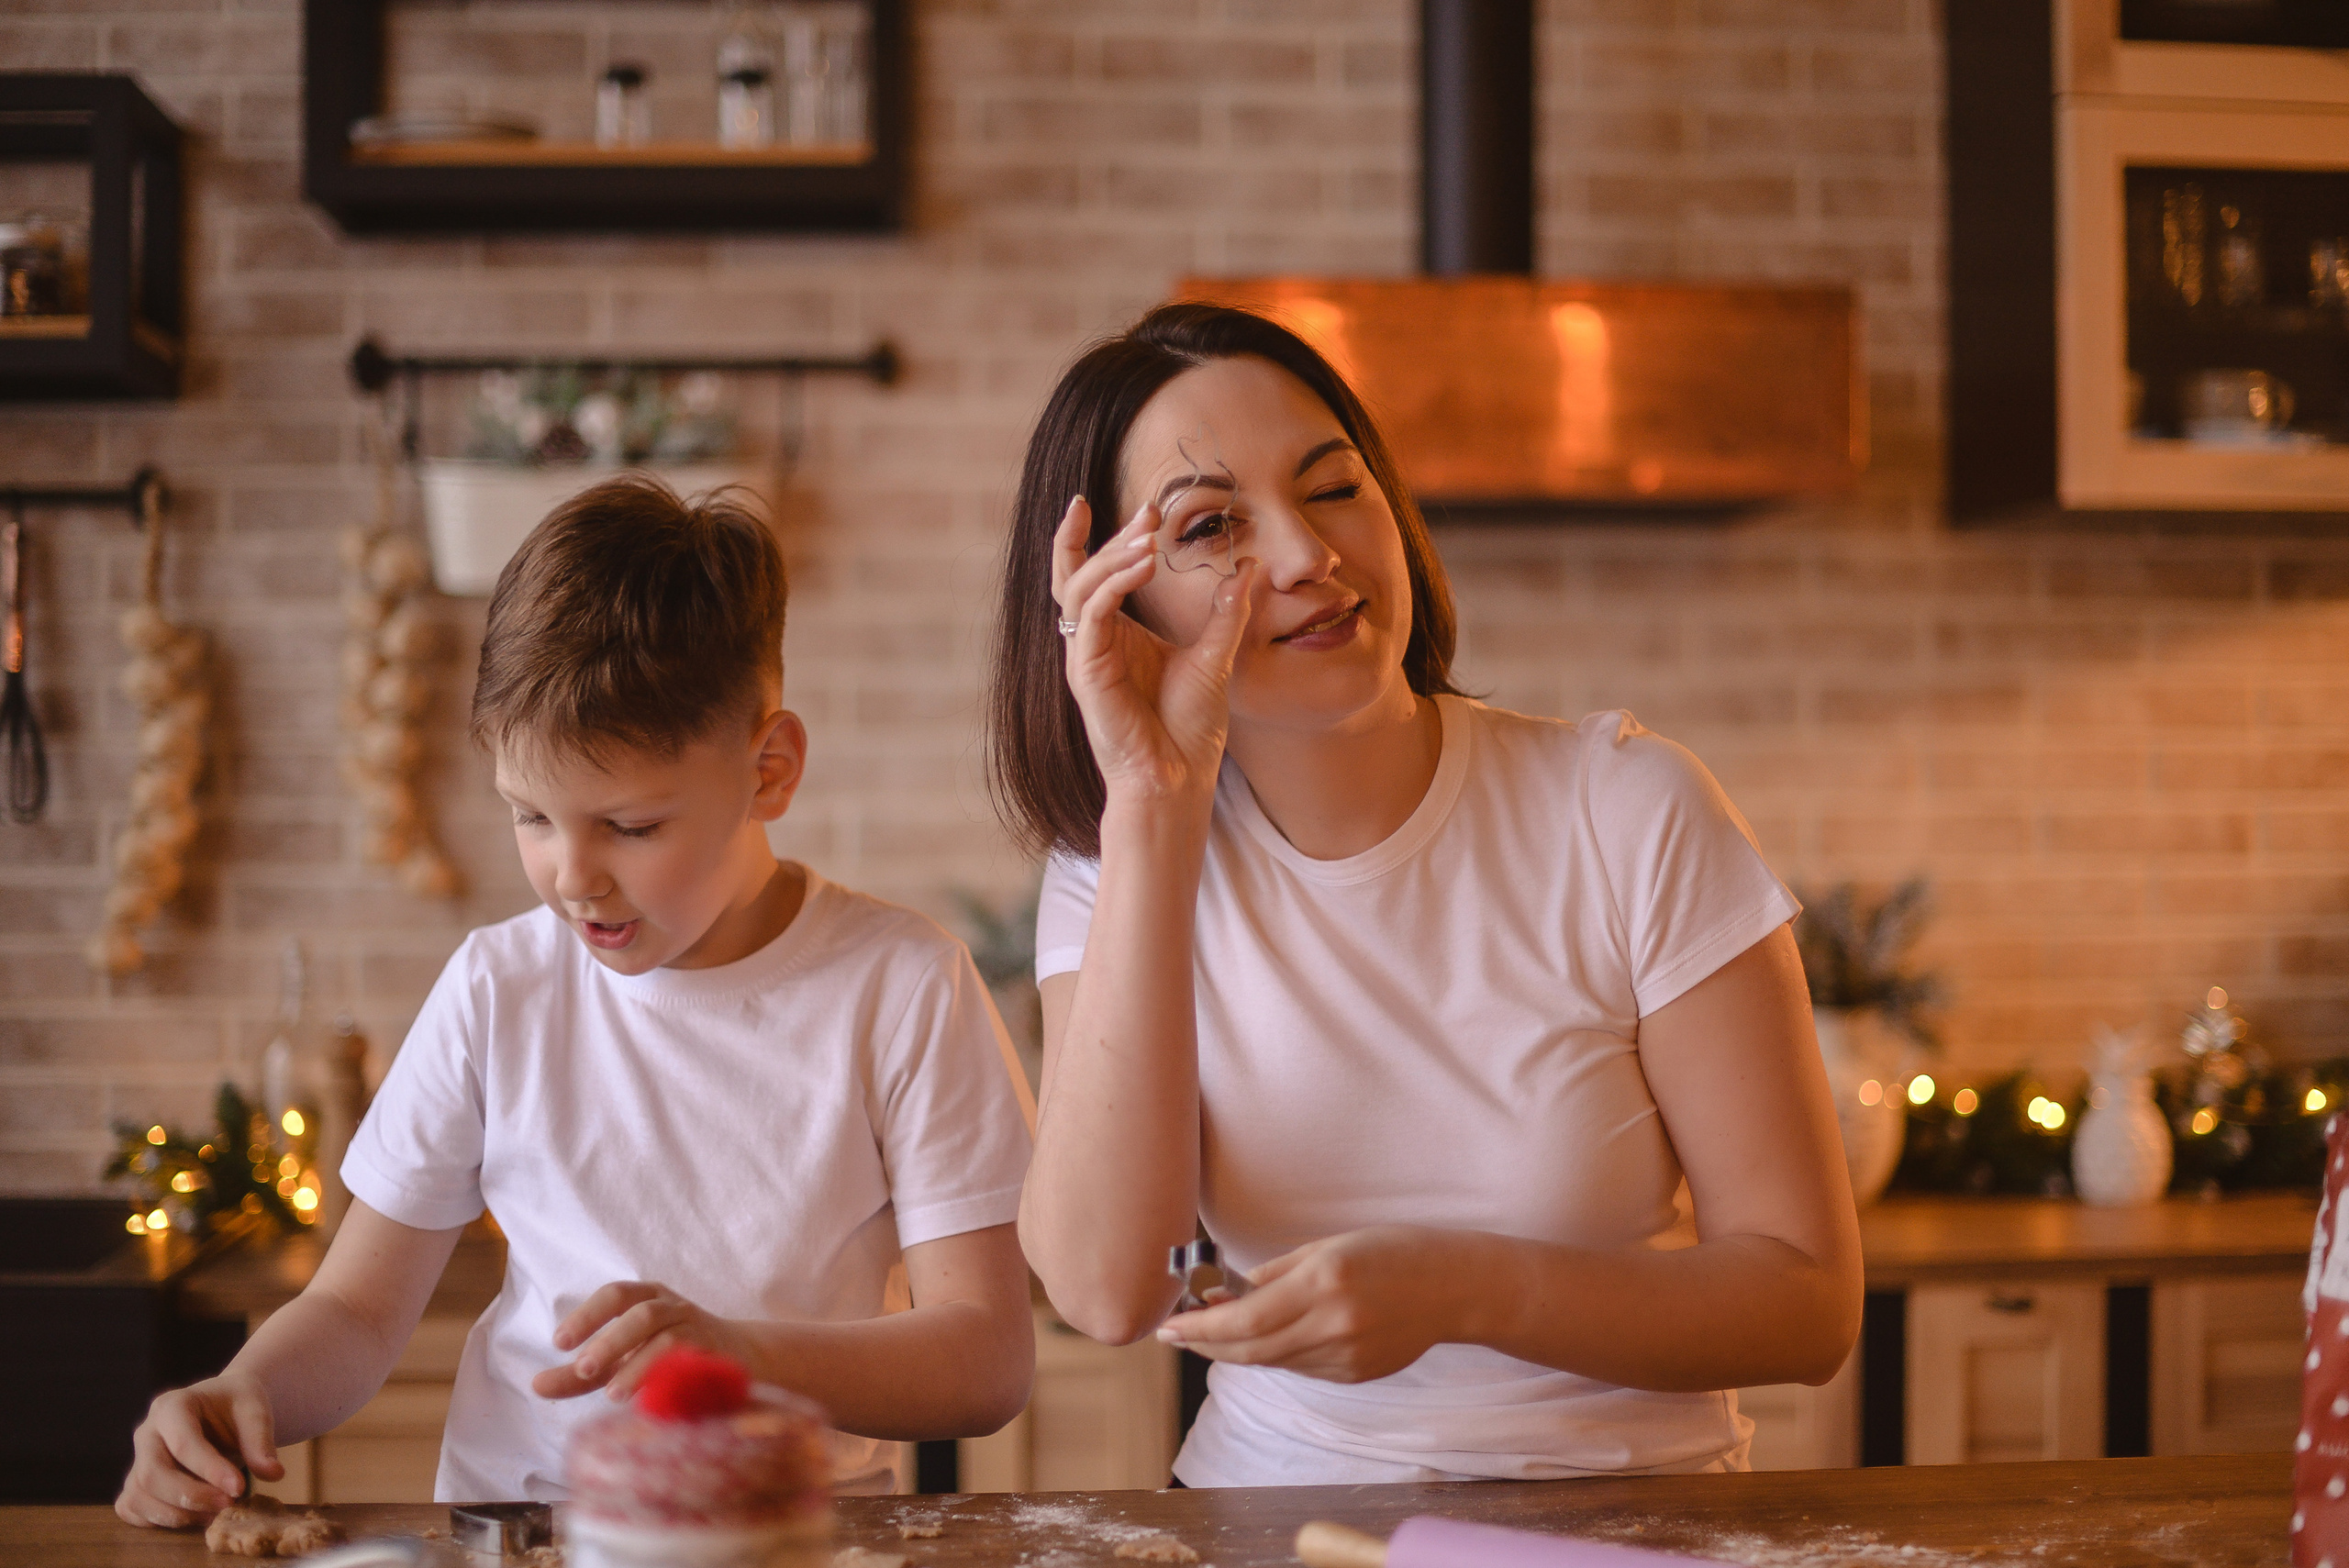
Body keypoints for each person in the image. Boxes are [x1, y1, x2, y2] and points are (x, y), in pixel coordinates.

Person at [988, 304, 1863, 1487]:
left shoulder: (1623, 807)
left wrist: (1463, 1288)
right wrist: (1150, 802)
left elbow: (1804, 1298)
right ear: (1121, 605)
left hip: (1626, 1525)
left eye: (1333, 486)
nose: (1305, 556)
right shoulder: (1119, 860)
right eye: (1211, 526)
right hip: (1271, 1517)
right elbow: (1103, 1285)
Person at [117, 476, 1036, 1525]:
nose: (570, 875)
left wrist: (742, 1353)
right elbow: (356, 1307)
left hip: (788, 1535)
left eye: (631, 826)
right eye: (530, 816)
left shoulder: (902, 985)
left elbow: (987, 1357)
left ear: (769, 769)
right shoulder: (496, 985)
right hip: (516, 1528)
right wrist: (244, 1394)